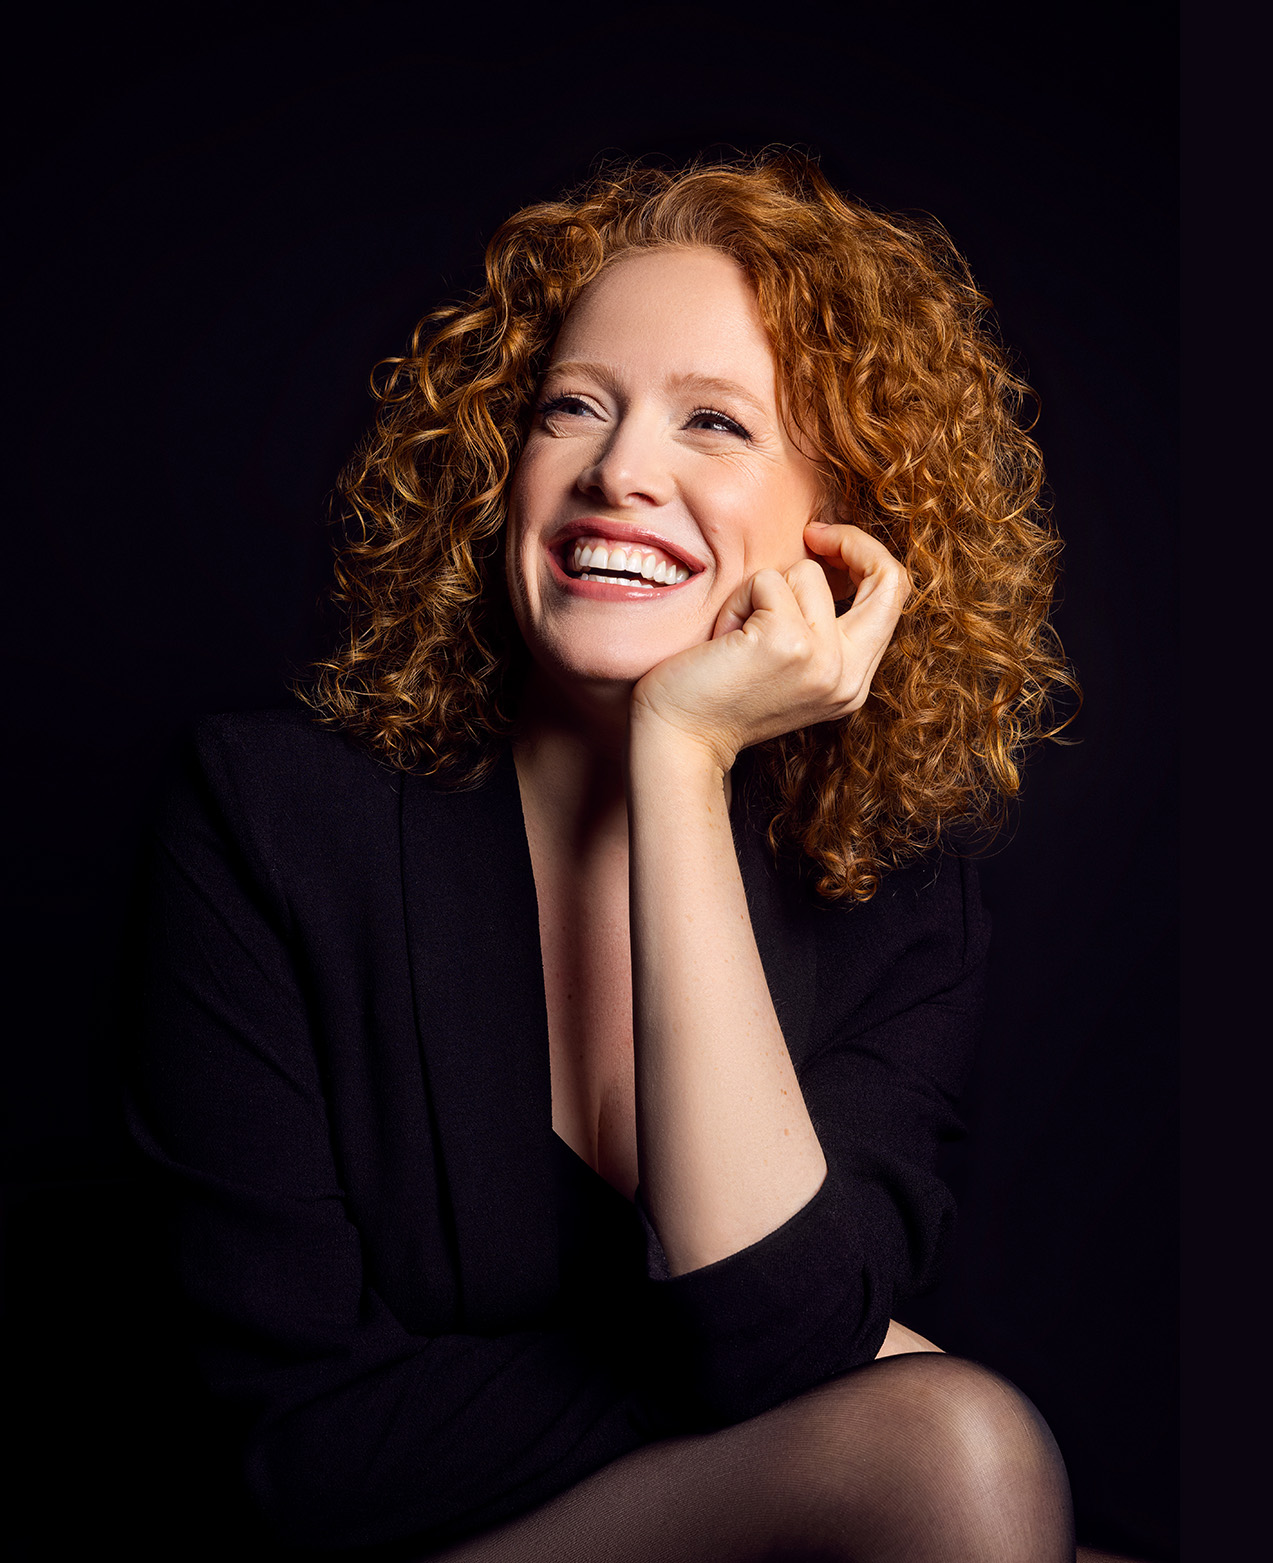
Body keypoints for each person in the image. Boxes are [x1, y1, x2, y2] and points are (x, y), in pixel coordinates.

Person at [123, 152, 1091, 1560]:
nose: (619, 471)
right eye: (571, 407)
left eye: (715, 423)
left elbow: (775, 1335)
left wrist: (680, 752)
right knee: (954, 1450)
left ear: (846, 527)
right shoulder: (270, 819)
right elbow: (291, 1454)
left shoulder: (898, 907)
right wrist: (772, 1361)